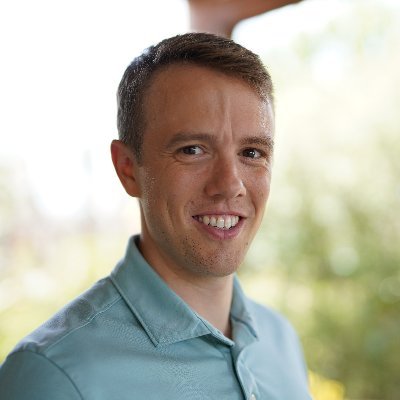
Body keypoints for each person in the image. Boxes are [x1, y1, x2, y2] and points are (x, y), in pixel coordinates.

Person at [0, 33, 311, 399]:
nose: (230, 185)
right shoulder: (52, 375)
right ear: (128, 169)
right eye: (192, 149)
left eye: (252, 153)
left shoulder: (281, 341)